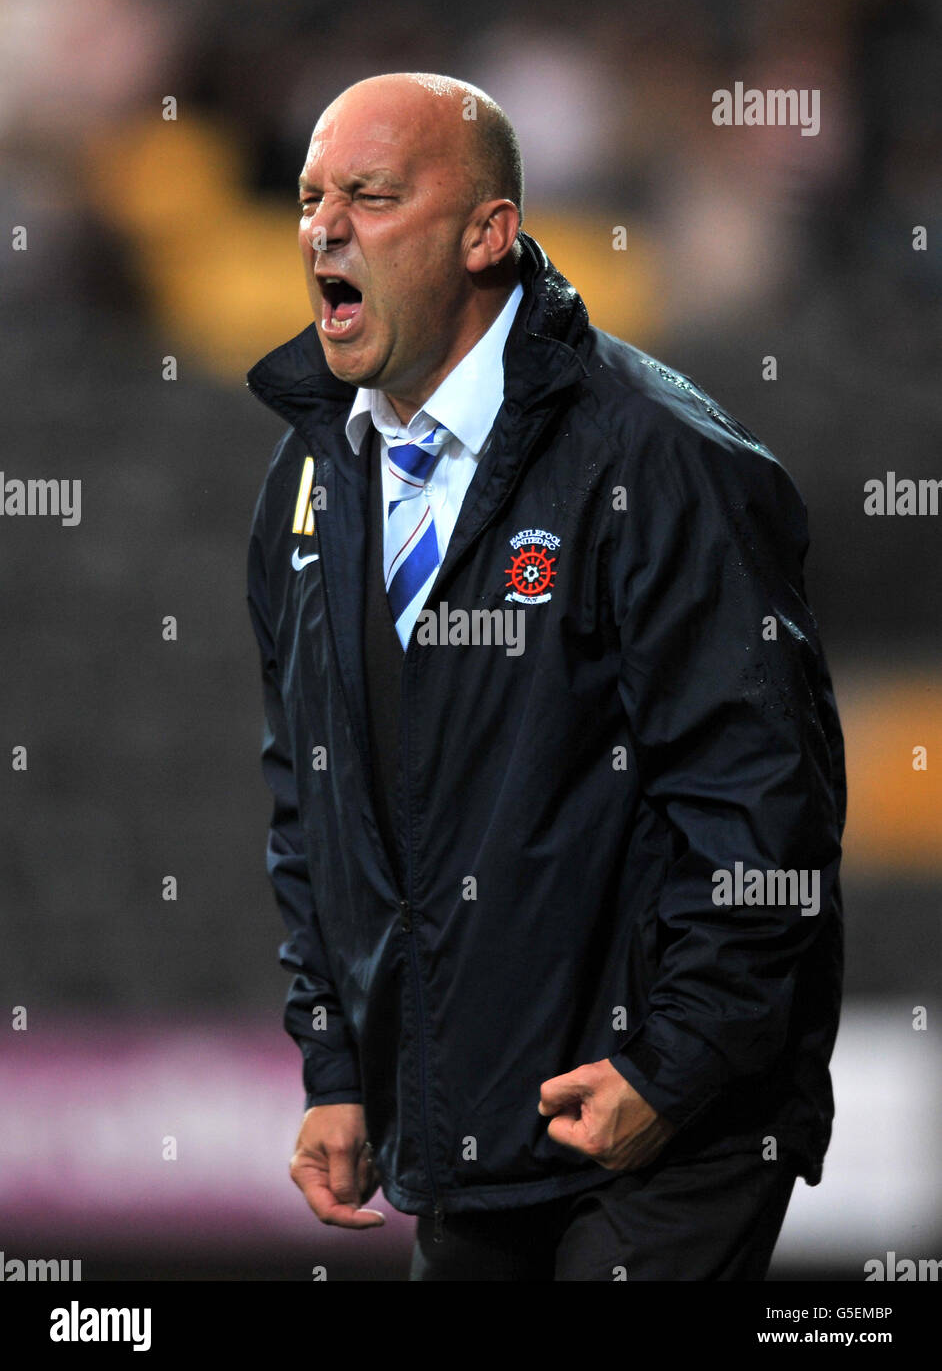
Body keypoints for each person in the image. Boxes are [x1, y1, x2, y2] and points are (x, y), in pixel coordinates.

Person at [245, 72, 846, 1281]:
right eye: (313, 197)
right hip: (476, 1126)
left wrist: (668, 1067)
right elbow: (317, 801)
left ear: (487, 232)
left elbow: (766, 805)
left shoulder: (659, 462)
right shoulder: (311, 487)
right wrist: (341, 1067)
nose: (324, 226)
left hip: (668, 1133)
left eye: (370, 194)